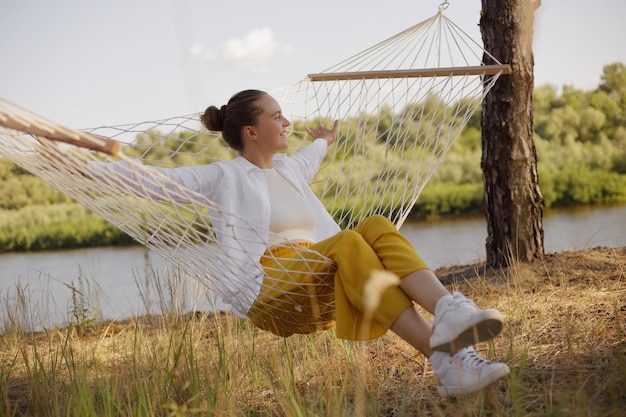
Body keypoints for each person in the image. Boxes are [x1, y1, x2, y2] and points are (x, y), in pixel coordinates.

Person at [97, 89, 510, 396]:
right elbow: (158, 183)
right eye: (278, 116)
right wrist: (89, 168)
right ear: (251, 131)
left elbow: (314, 154)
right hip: (269, 285)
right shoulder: (225, 178)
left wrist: (325, 139)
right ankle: (443, 356)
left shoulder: (291, 170)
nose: (287, 123)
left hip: (313, 269)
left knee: (376, 225)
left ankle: (447, 312)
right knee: (349, 242)